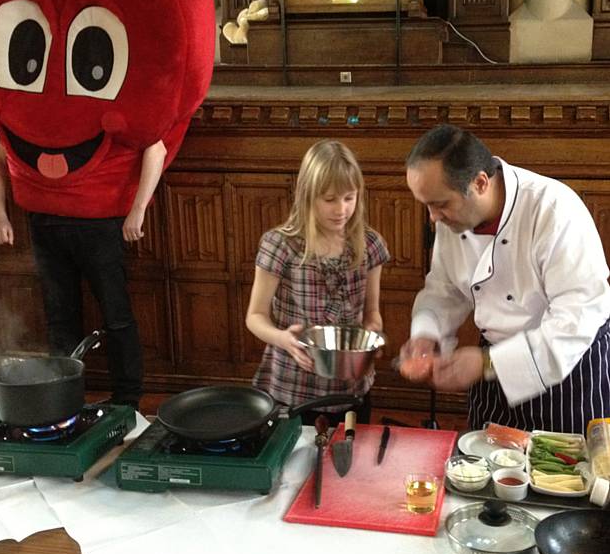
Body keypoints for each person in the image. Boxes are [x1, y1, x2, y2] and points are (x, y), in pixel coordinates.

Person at [399, 124, 610, 435]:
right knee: (481, 470)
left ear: (480, 182)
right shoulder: (452, 218)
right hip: (491, 369)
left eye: (440, 204)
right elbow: (444, 289)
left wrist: (486, 363)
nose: (433, 217)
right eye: (427, 205)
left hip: (567, 370)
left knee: (561, 477)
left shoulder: (553, 210)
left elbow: (576, 319)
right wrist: (426, 336)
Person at [0, 135, 167, 410]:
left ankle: (128, 402)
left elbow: (156, 146)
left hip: (100, 222)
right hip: (45, 222)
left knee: (116, 315)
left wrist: (138, 209)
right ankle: (64, 399)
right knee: (59, 318)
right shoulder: (27, 110)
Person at [246, 140, 390, 426]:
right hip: (293, 388)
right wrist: (283, 339)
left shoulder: (370, 244)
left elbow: (371, 314)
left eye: (349, 198)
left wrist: (372, 336)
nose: (341, 209)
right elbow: (255, 316)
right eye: (330, 199)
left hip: (351, 386)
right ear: (308, 195)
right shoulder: (280, 245)